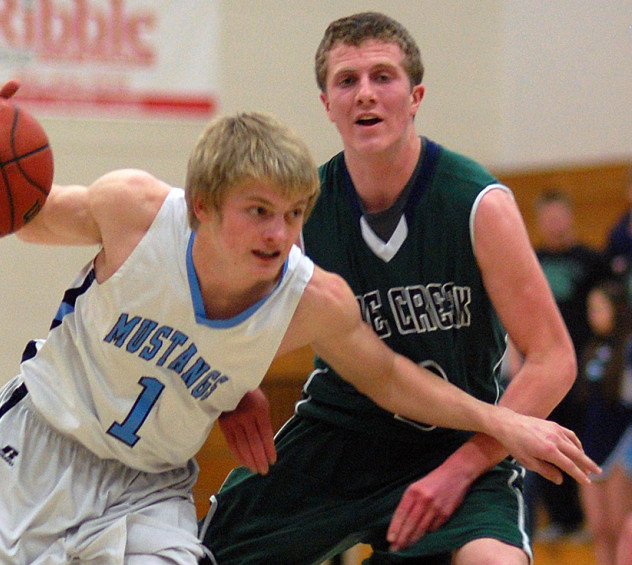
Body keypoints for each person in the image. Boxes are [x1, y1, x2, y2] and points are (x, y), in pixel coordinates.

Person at [0, 78, 598, 564]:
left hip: (146, 487)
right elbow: (25, 216)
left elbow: (390, 377)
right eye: (259, 211)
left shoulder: (312, 300)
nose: (282, 233)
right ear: (206, 206)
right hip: (37, 447)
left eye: (295, 213)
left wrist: (501, 418)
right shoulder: (137, 214)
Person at [200, 12, 588, 565]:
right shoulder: (302, 211)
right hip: (340, 436)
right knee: (194, 554)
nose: (365, 95)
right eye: (346, 80)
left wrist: (460, 471)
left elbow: (554, 360)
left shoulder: (478, 204)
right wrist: (235, 387)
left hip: (455, 439)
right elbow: (234, 319)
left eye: (383, 77)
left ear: (415, 96)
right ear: (326, 104)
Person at [526, 188, 609, 539]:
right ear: (539, 221)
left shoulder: (592, 261)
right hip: (544, 367)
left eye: (560, 216)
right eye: (548, 217)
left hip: (586, 369)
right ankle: (562, 519)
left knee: (586, 440)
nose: (555, 224)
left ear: (571, 217)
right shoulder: (532, 260)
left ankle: (591, 517)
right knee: (548, 441)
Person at [577, 280, 632, 565]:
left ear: (617, 310)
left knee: (621, 530)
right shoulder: (592, 347)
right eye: (590, 309)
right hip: (592, 446)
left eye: (599, 308)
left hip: (621, 446)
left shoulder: (629, 349)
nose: (593, 315)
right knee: (599, 531)